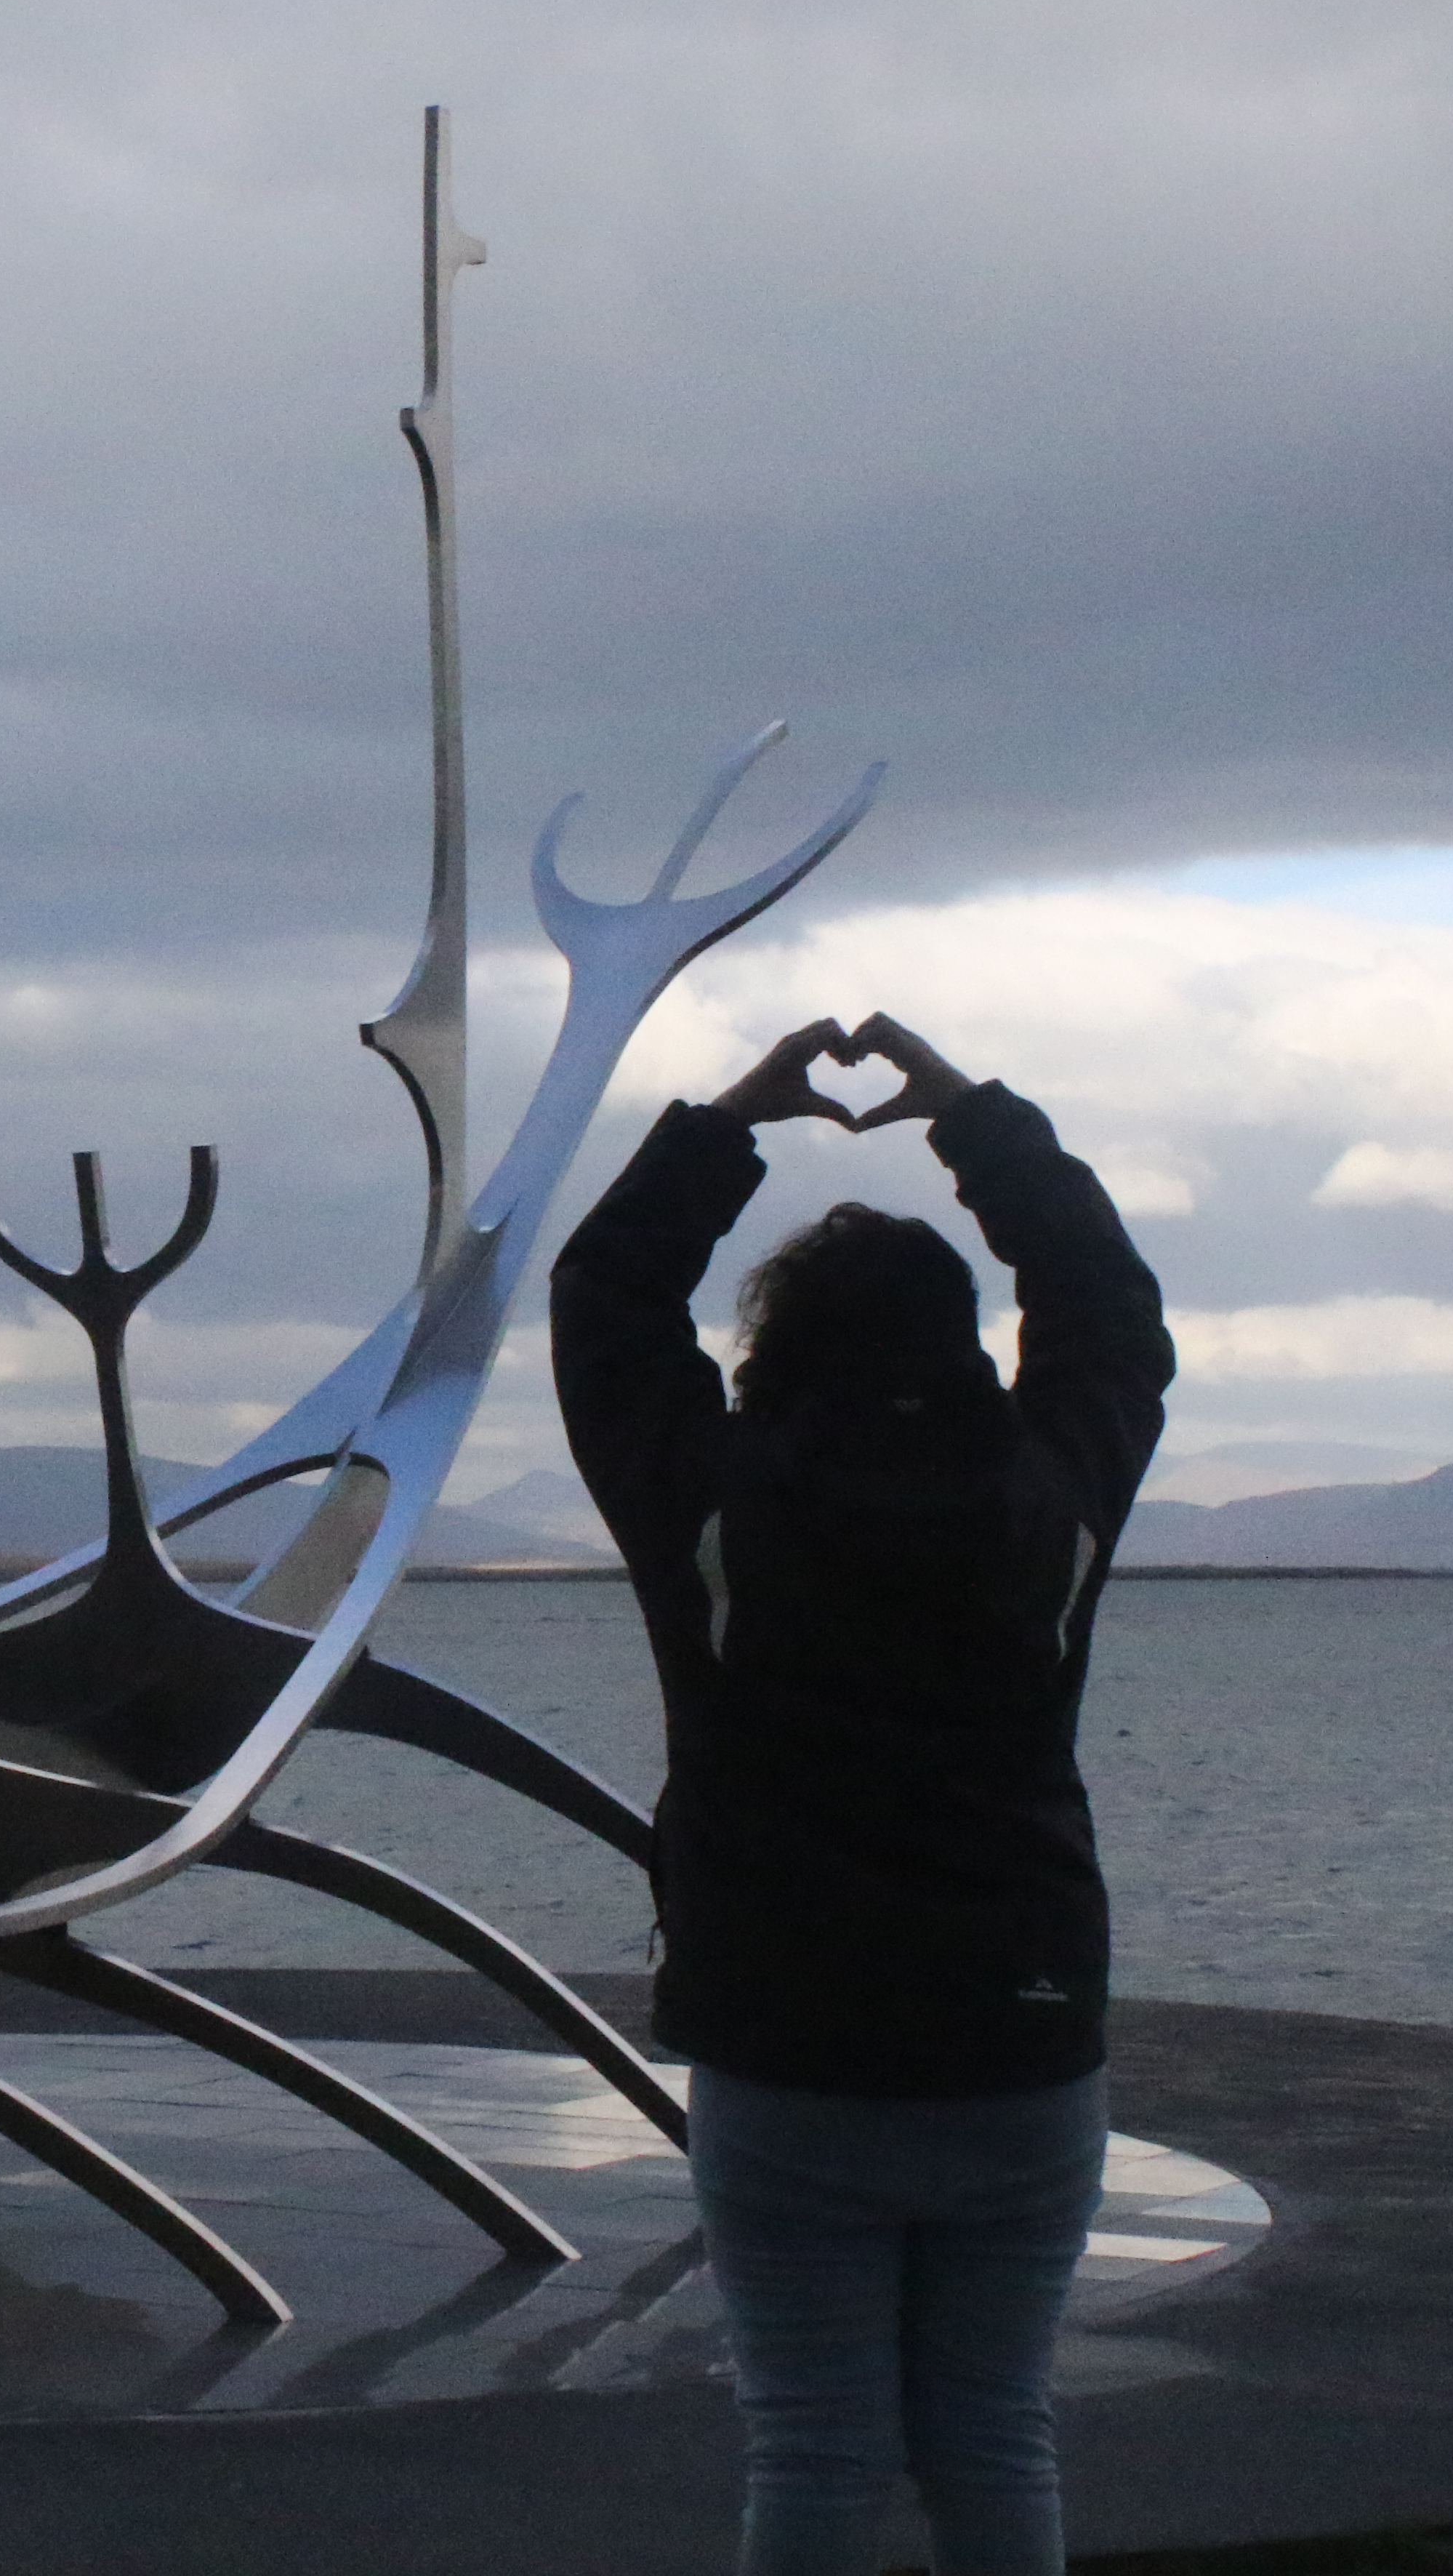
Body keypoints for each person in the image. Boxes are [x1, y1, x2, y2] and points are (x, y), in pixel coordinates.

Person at [549, 1012, 1173, 2576]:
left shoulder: (715, 1502)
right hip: (1019, 2043)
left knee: (816, 2443)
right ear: (962, 1346)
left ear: (775, 1352)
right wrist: (978, 1126)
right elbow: (1108, 1316)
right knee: (992, 2432)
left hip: (786, 2050)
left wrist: (724, 1126)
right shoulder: (1050, 1500)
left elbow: (604, 1306)